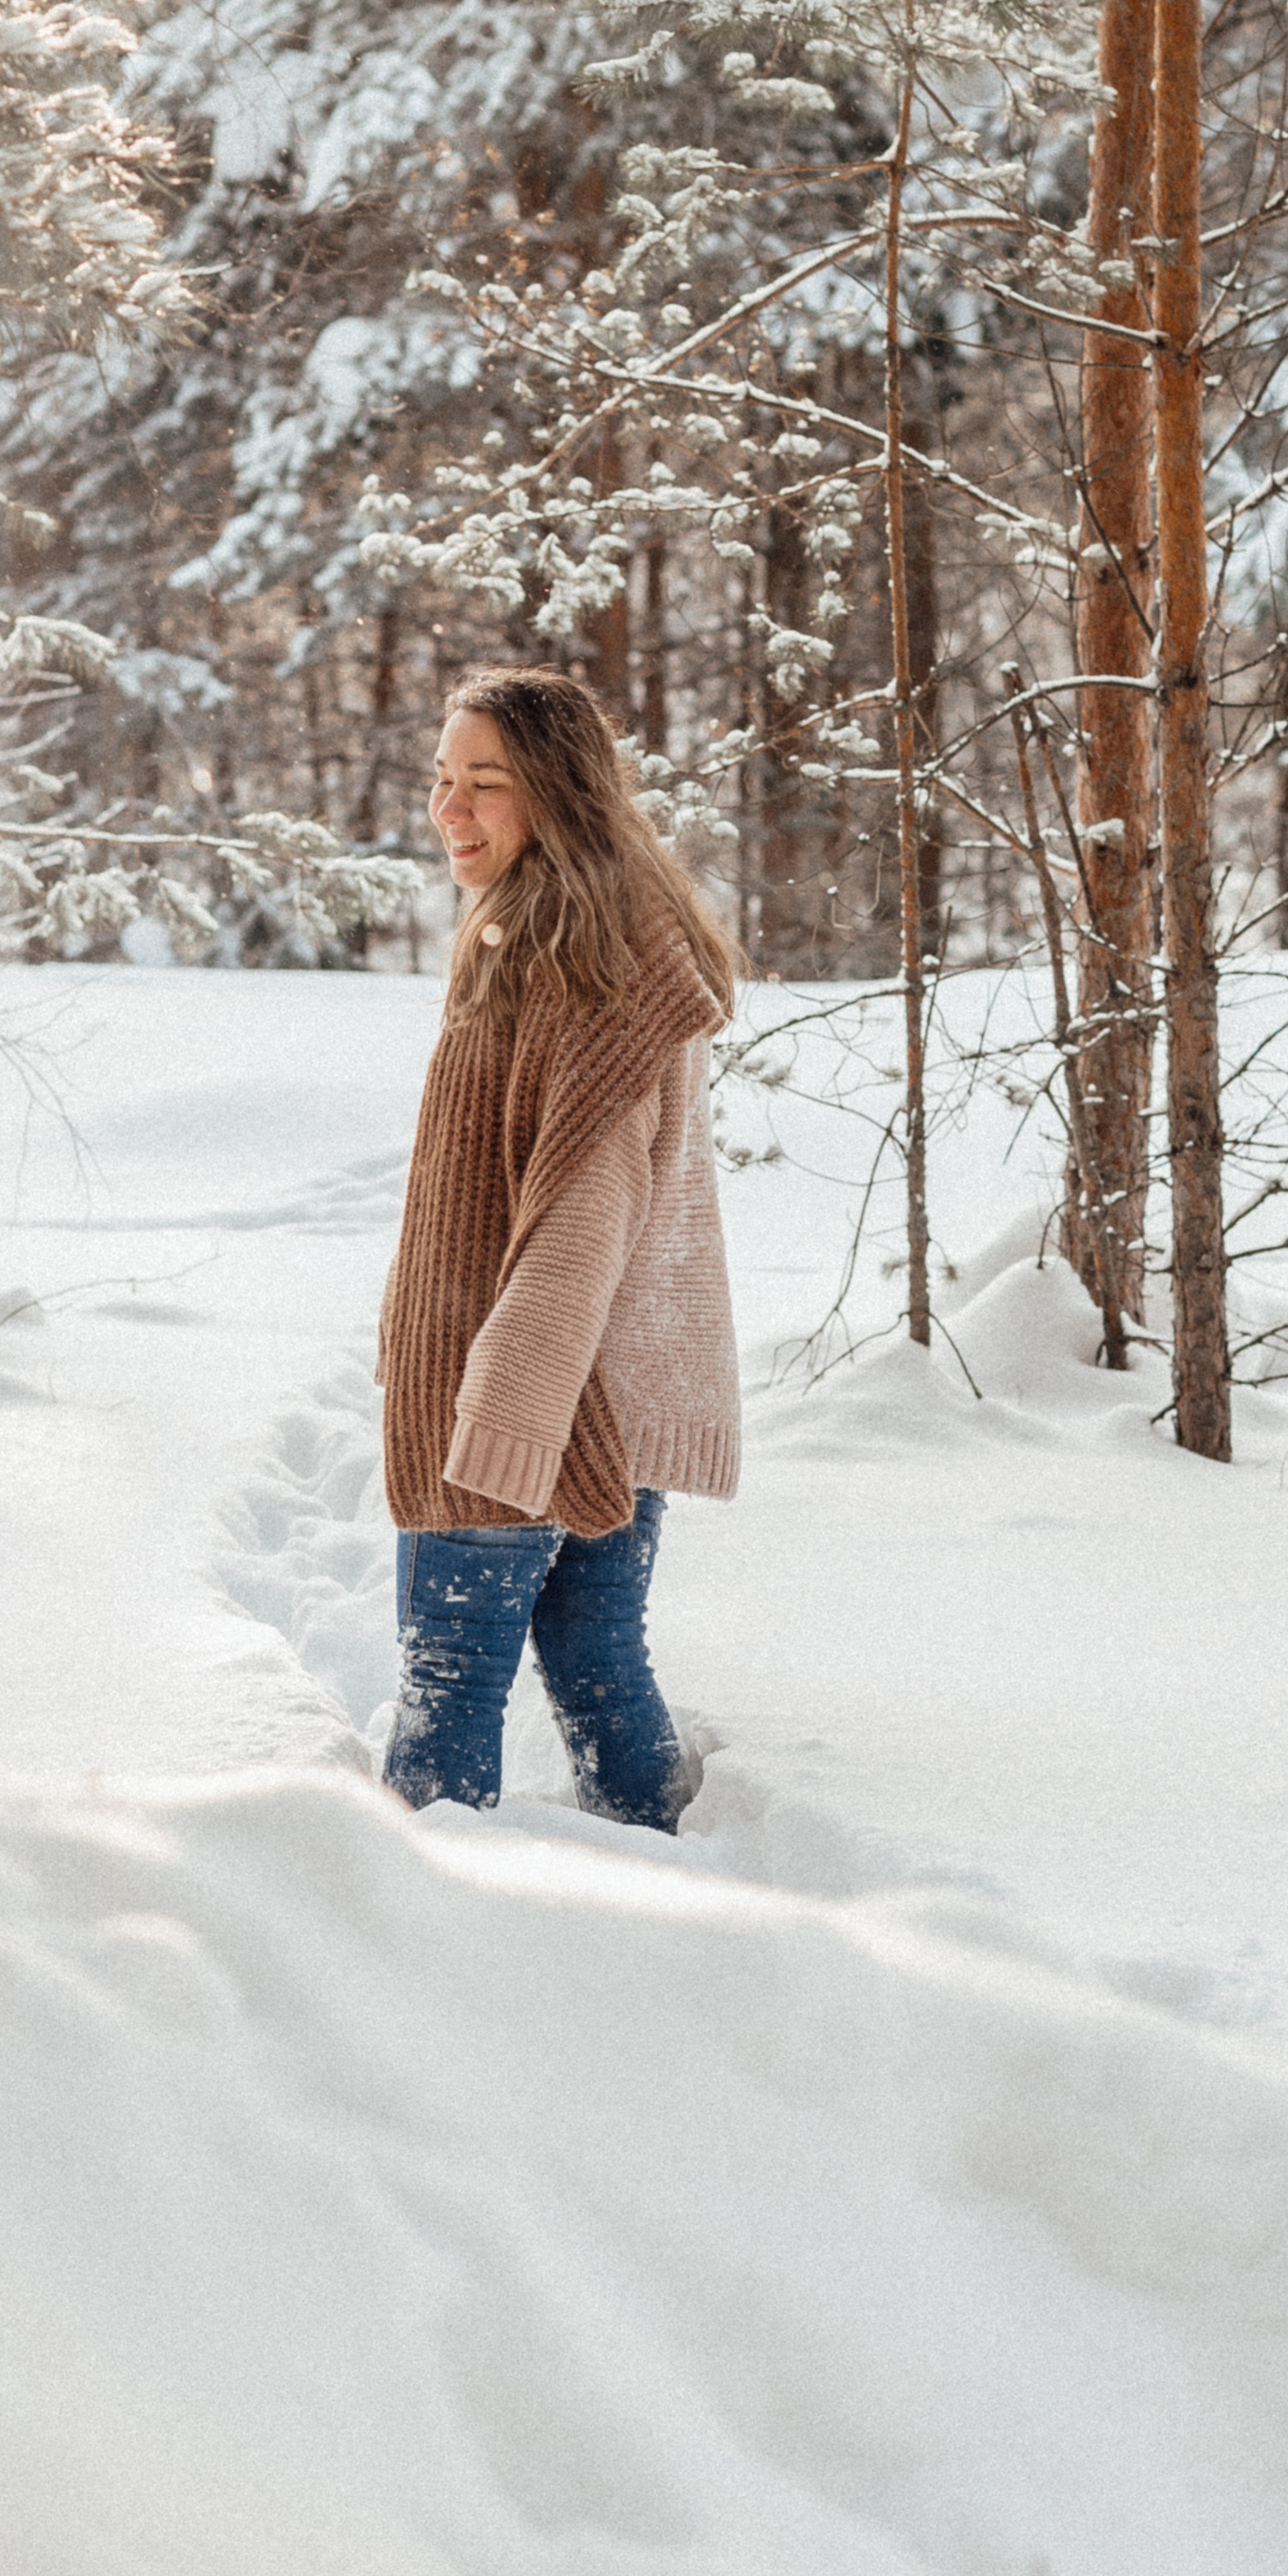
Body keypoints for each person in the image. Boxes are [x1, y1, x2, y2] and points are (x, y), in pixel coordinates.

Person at [374, 665, 741, 1833]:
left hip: (525, 1389)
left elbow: (583, 1218)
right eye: (442, 780)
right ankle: (659, 1893)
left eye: (487, 783)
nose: (451, 809)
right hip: (588, 1387)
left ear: (562, 793)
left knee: (448, 1678)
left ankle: (418, 1927)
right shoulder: (571, 931)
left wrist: (498, 1422)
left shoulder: (582, 963)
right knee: (594, 1657)